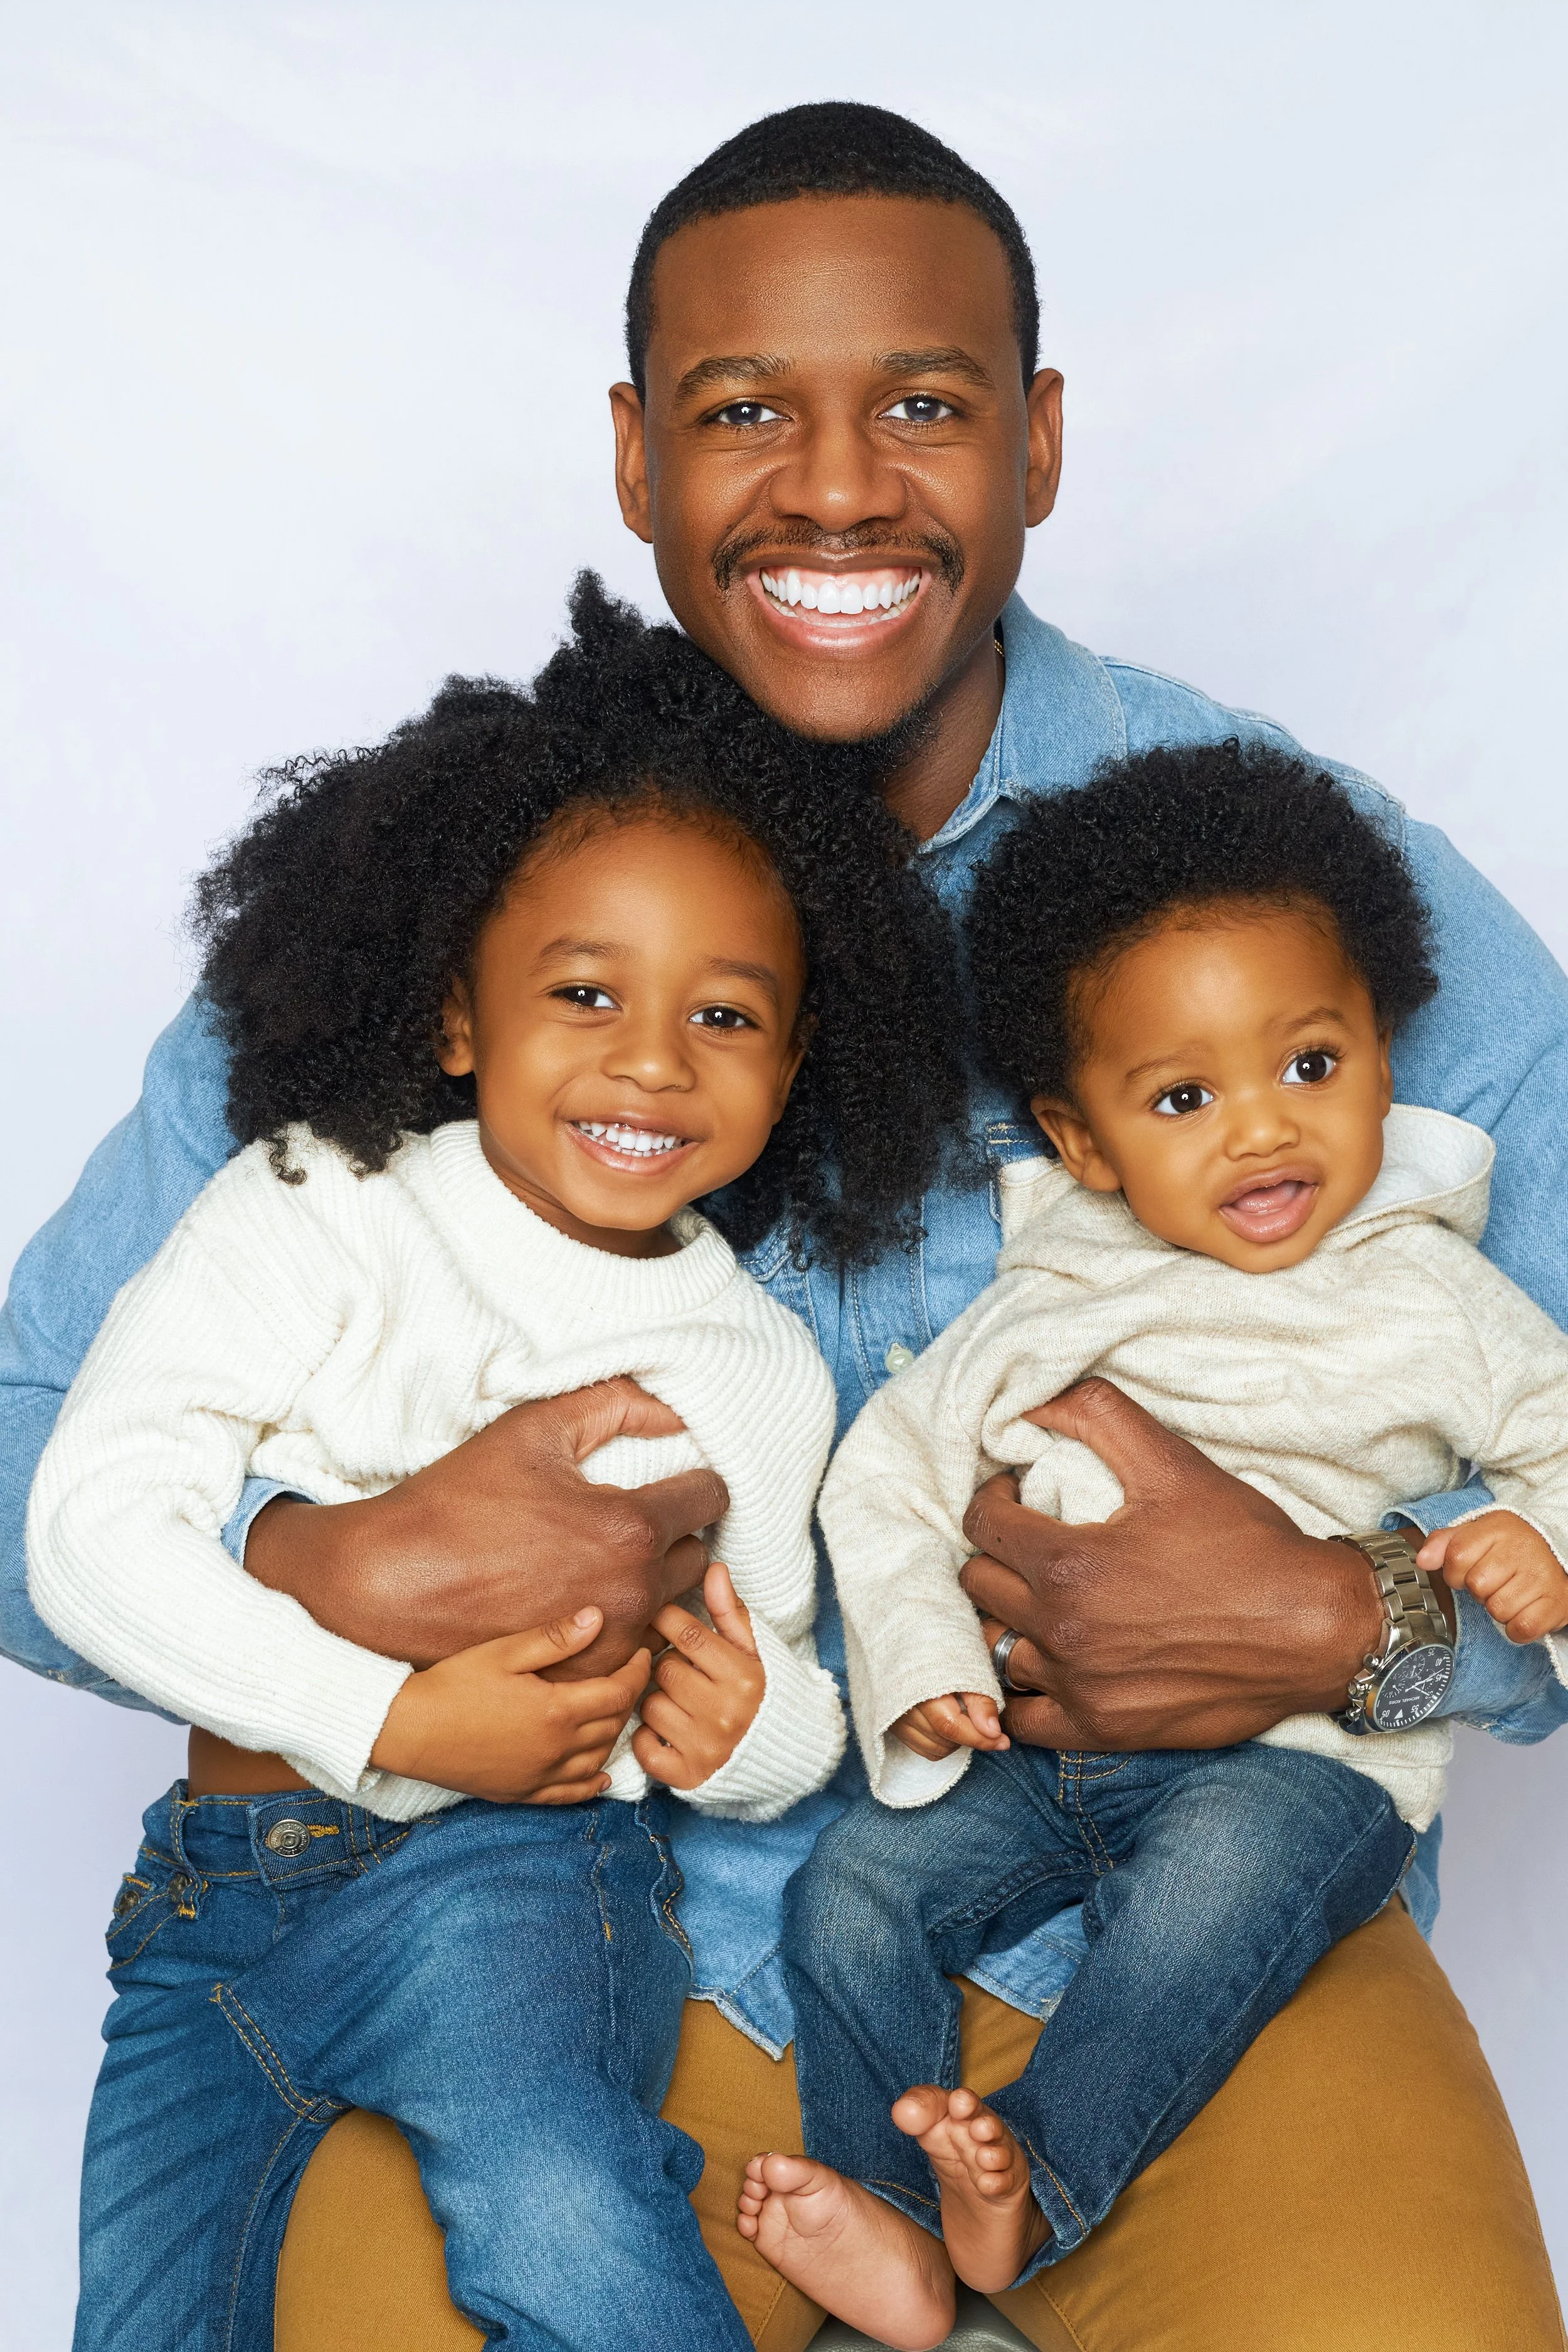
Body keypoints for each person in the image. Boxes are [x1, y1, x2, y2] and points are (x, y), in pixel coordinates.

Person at [3, 99, 1564, 2352]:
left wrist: (1362, 1632)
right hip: (525, 1948)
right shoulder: (449, 892)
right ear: (635, 458)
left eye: (925, 407)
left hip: (1164, 1949)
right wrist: (301, 1563)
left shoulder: (1289, 899)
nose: (837, 491)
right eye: (745, 415)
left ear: (1038, 440)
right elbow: (29, 1430)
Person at [23, 585, 965, 2352]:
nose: (647, 1057)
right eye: (585, 989)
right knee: (144, 2316)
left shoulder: (747, 1365)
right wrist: (387, 1714)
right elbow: (86, 1527)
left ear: (793, 1067)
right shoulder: (315, 1201)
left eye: (726, 1017)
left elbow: (789, 1702)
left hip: (513, 1887)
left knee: (561, 2213)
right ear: (457, 1017)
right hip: (214, 1898)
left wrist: (745, 1727)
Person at [741, 743, 1568, 2346]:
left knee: (1201, 1908)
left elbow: (1561, 1436)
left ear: (1384, 1065)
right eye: (1184, 1099)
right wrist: (914, 1668)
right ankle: (893, 2227)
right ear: (1088, 1140)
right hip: (1036, 1752)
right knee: (851, 1892)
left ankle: (1033, 2185)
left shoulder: (1430, 1296)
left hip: (1299, 1767)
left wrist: (1531, 1543)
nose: (1260, 1133)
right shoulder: (1050, 1298)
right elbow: (884, 1479)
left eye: (1310, 1067)